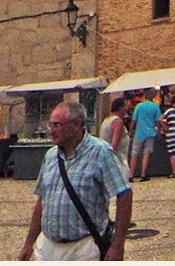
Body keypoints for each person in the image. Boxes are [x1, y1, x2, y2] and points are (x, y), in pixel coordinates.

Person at [18, 102, 131, 261]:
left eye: (57, 125)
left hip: (83, 249)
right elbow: (42, 201)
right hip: (47, 247)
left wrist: (118, 245)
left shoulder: (101, 152)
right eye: (50, 124)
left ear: (76, 125)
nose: (51, 131)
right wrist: (29, 243)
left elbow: (124, 193)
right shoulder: (50, 156)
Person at [129, 88, 162, 181]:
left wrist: (131, 131)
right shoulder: (156, 107)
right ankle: (143, 175)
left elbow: (133, 120)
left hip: (139, 132)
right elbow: (158, 121)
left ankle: (131, 175)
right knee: (146, 153)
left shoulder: (139, 106)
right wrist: (159, 131)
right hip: (151, 132)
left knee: (134, 153)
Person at [98, 97, 129, 173]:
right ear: (120, 107)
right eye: (125, 106)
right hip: (117, 159)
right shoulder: (118, 122)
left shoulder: (107, 119)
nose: (127, 108)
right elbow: (115, 143)